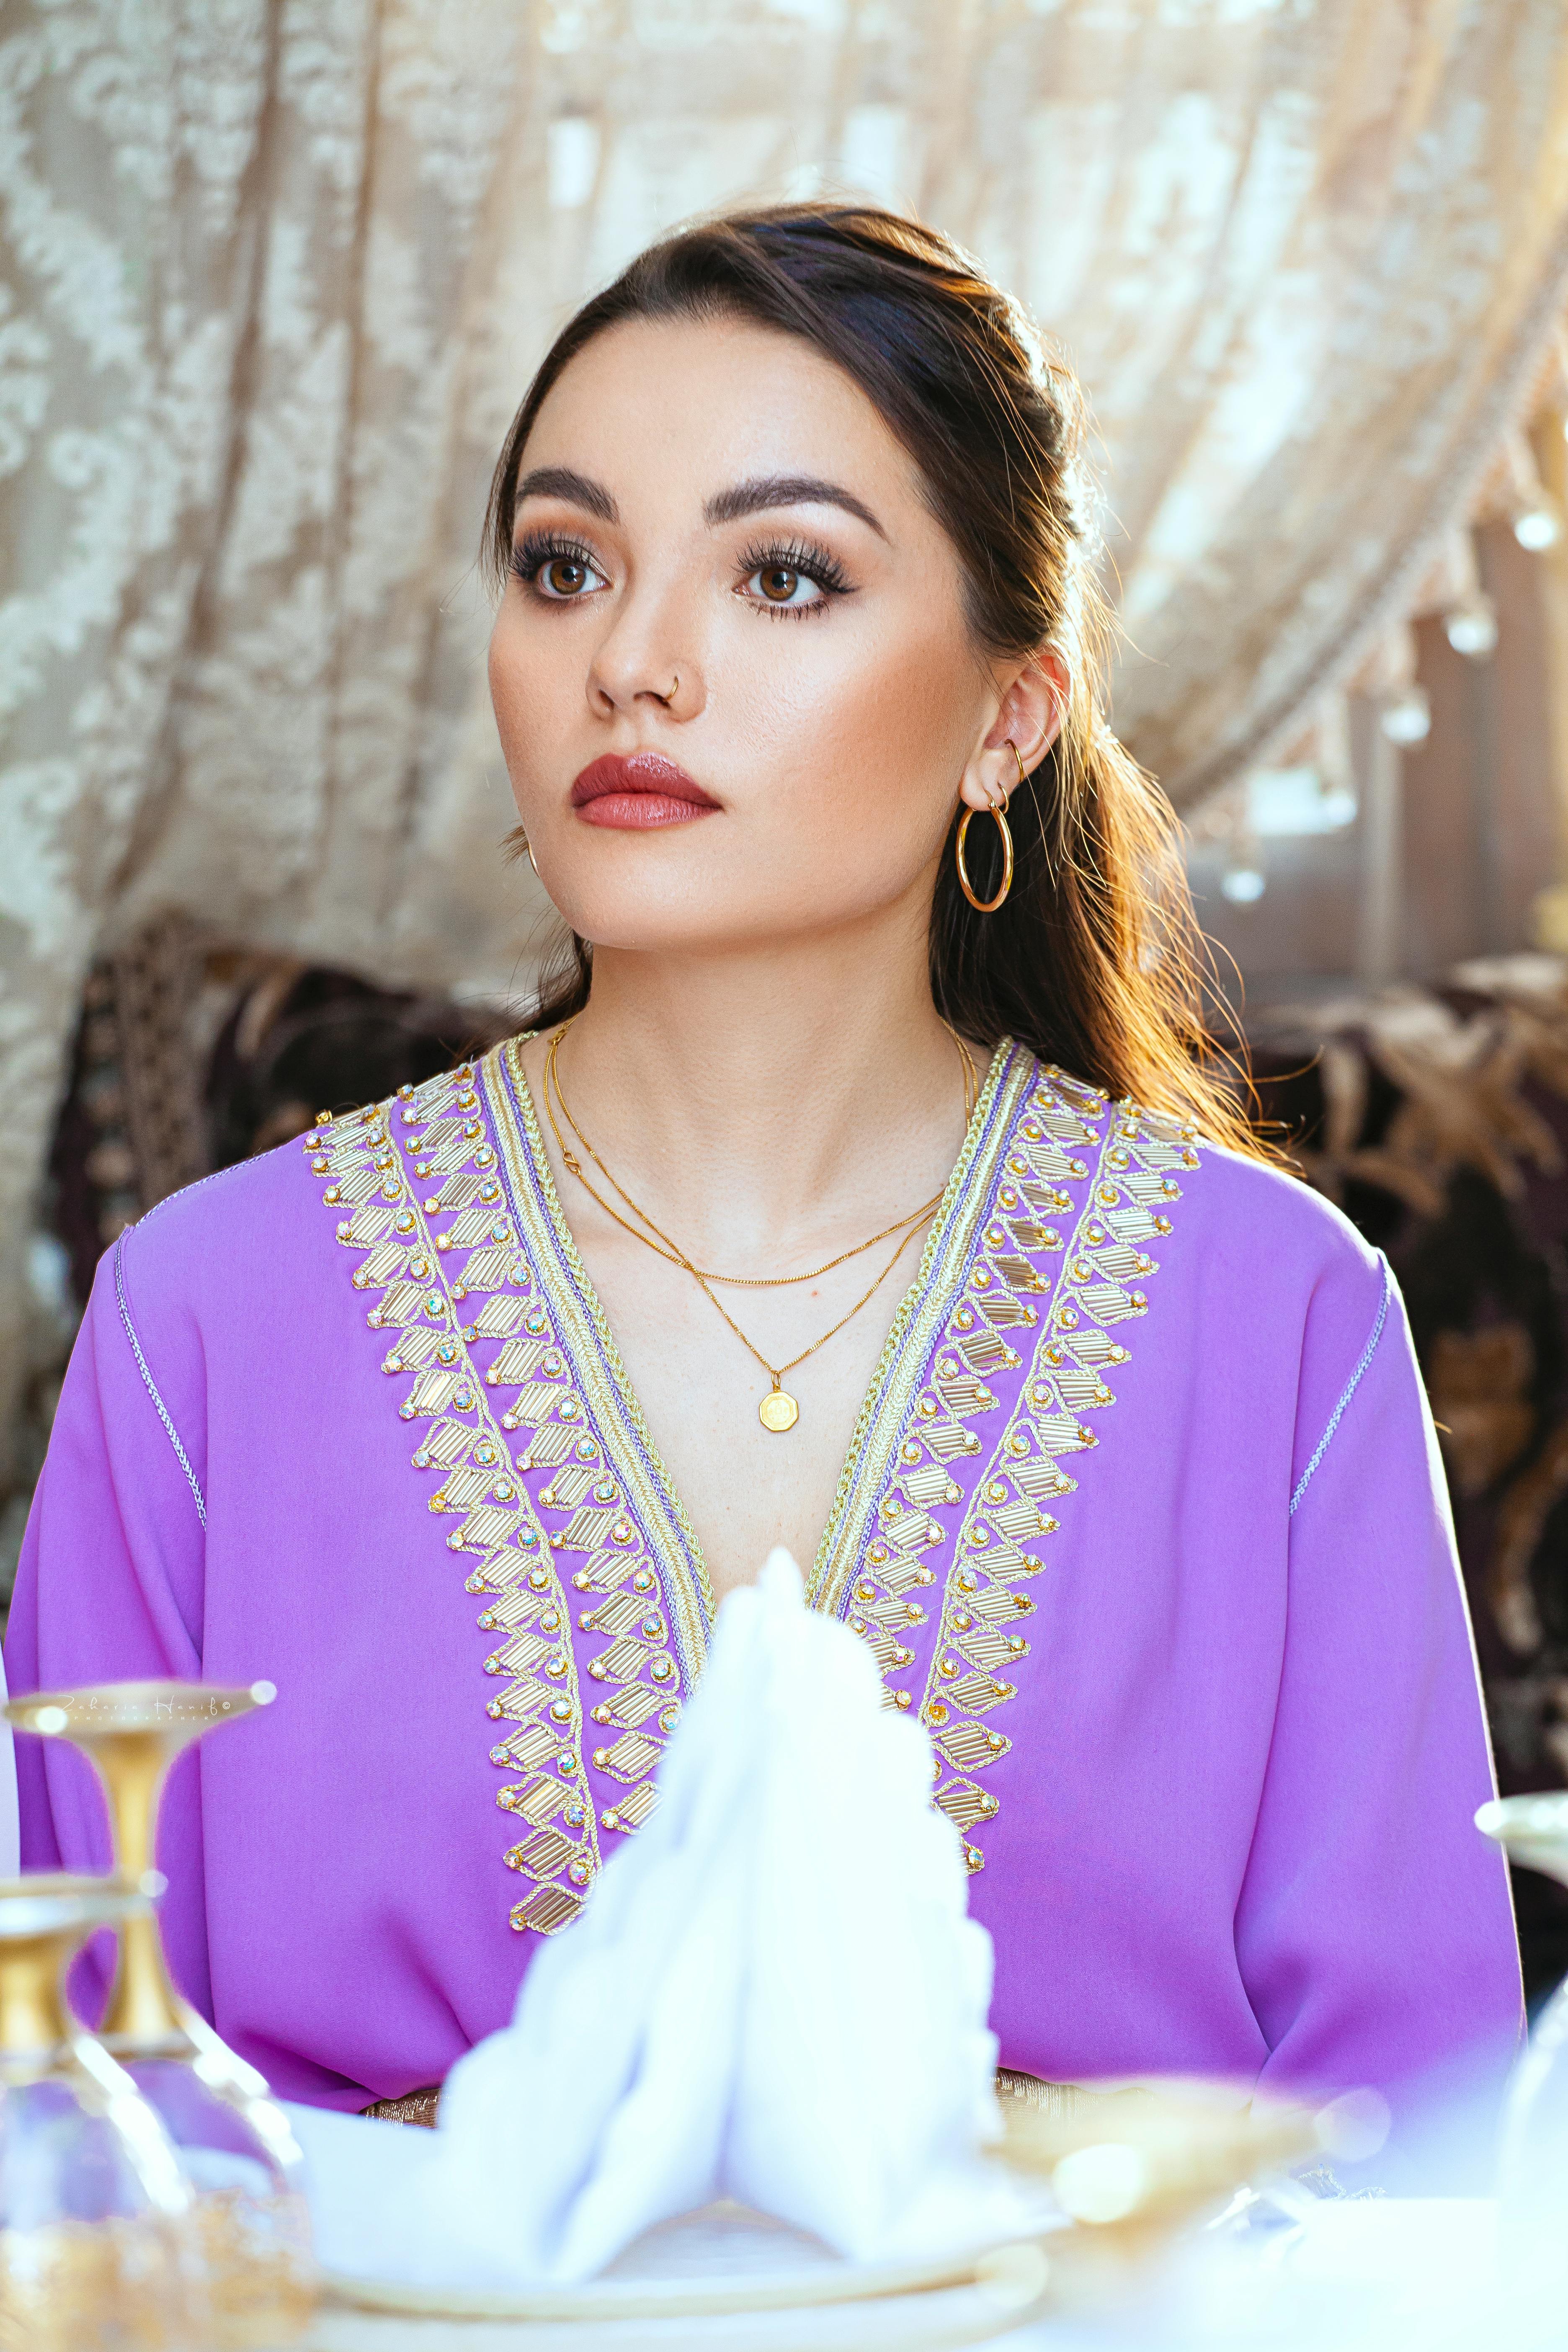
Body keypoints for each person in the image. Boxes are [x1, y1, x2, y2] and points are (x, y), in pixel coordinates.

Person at [8, 206, 1521, 2130]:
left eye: (784, 576)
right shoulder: (201, 1326)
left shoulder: (1278, 1320)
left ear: (1007, 719)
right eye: (566, 566)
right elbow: (51, 2123)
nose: (631, 662)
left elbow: (1427, 2157)